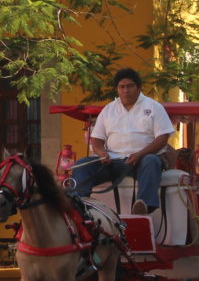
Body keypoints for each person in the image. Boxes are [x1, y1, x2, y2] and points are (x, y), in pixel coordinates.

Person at [69, 68, 176, 214]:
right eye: (121, 87)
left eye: (130, 86)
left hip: (142, 161)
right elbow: (97, 138)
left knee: (151, 161)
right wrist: (101, 153)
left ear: (139, 87)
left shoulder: (154, 107)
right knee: (82, 165)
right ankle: (78, 205)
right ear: (117, 89)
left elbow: (162, 138)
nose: (126, 90)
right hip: (113, 162)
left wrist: (140, 154)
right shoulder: (108, 109)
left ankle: (144, 205)